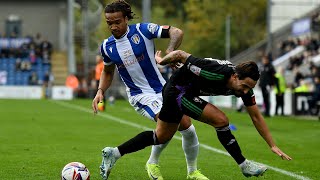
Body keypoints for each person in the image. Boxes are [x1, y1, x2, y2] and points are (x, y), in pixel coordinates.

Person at [97, 50, 292, 179]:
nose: (245, 92)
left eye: (249, 88)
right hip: (177, 90)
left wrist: (272, 145)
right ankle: (244, 165)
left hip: (184, 92)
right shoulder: (217, 72)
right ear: (234, 76)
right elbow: (181, 54)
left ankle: (114, 153)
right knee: (221, 119)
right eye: (243, 86)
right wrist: (162, 62)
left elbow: (256, 117)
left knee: (161, 136)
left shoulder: (244, 88)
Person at [91, 1, 208, 180]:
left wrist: (170, 51)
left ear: (126, 18)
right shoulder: (107, 47)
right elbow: (107, 72)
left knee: (188, 128)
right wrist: (100, 90)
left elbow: (177, 32)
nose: (113, 26)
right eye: (109, 23)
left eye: (117, 22)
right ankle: (141, 160)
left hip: (164, 89)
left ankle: (192, 172)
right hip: (140, 95)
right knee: (168, 125)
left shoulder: (143, 30)